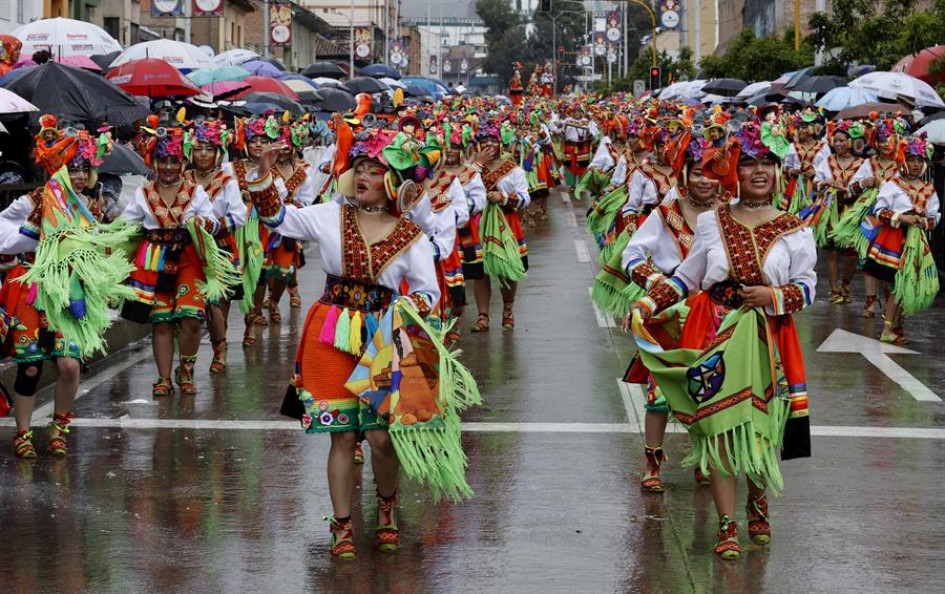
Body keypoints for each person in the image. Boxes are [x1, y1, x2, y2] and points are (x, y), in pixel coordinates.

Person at [245, 126, 476, 559]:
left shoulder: (412, 236)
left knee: (380, 437)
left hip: (387, 335)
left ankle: (386, 508)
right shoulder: (330, 215)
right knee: (343, 436)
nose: (364, 176)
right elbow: (277, 218)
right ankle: (342, 524)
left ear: (394, 183)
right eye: (361, 168)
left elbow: (429, 290)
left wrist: (411, 309)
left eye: (375, 170)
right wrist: (263, 172)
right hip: (331, 331)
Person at [630, 120, 816, 560]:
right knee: (717, 430)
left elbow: (807, 288)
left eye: (766, 163)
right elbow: (687, 277)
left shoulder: (794, 228)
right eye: (748, 163)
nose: (758, 171)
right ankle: (727, 524)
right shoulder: (714, 222)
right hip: (715, 333)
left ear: (777, 172)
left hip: (768, 337)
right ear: (734, 171)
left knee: (759, 432)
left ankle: (757, 499)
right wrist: (646, 306)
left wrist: (773, 295)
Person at [1, 123, 129, 458]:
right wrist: (33, 234)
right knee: (30, 366)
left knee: (70, 365)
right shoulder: (35, 199)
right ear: (55, 166)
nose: (77, 175)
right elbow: (3, 232)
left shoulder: (92, 206)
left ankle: (60, 426)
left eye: (83, 168)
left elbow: (106, 247)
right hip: (33, 288)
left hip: (70, 294)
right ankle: (23, 432)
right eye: (71, 168)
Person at [619, 130, 728, 492]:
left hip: (713, 314)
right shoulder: (665, 213)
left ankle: (703, 459)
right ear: (684, 175)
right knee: (659, 395)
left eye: (712, 172)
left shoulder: (730, 215)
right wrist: (655, 286)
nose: (704, 179)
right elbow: (632, 254)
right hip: (667, 311)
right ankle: (652, 464)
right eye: (697, 171)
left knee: (709, 389)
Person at [121, 125, 226, 396]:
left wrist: (202, 221)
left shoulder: (195, 192)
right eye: (163, 161)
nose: (168, 167)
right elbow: (126, 226)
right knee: (162, 320)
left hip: (188, 257)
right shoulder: (143, 193)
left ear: (182, 162)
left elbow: (213, 221)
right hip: (154, 260)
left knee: (191, 318)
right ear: (154, 162)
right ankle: (164, 378)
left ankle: (187, 369)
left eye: (174, 161)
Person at [862, 133, 940, 345]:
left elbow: (934, 217)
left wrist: (923, 222)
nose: (915, 165)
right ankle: (890, 327)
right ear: (904, 161)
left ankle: (895, 326)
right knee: (896, 284)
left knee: (905, 284)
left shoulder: (929, 189)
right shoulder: (894, 184)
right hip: (893, 238)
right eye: (911, 160)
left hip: (916, 241)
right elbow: (878, 211)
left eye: (919, 161)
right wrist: (902, 217)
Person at [184, 119, 247, 373]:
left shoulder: (227, 181)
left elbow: (239, 216)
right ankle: (188, 359)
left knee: (217, 303)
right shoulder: (183, 177)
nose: (203, 154)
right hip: (188, 247)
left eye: (209, 149)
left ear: (218, 152)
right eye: (198, 149)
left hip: (219, 246)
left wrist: (212, 226)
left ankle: (219, 349)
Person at [466, 122, 531, 332]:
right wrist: (476, 165)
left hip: (506, 223)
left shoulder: (514, 170)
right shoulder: (471, 168)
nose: (489, 145)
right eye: (484, 142)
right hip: (478, 223)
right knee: (480, 271)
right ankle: (483, 315)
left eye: (493, 141)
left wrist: (502, 197)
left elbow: (524, 198)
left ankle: (508, 310)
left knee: (507, 268)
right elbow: (461, 189)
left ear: (500, 144)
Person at [804, 120, 865, 303]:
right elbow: (815, 184)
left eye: (841, 140)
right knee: (831, 252)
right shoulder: (828, 161)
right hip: (831, 209)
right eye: (835, 141)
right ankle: (834, 290)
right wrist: (827, 183)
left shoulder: (862, 163)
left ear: (851, 141)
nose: (837, 144)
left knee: (851, 253)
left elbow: (864, 187)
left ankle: (846, 284)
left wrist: (850, 188)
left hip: (852, 211)